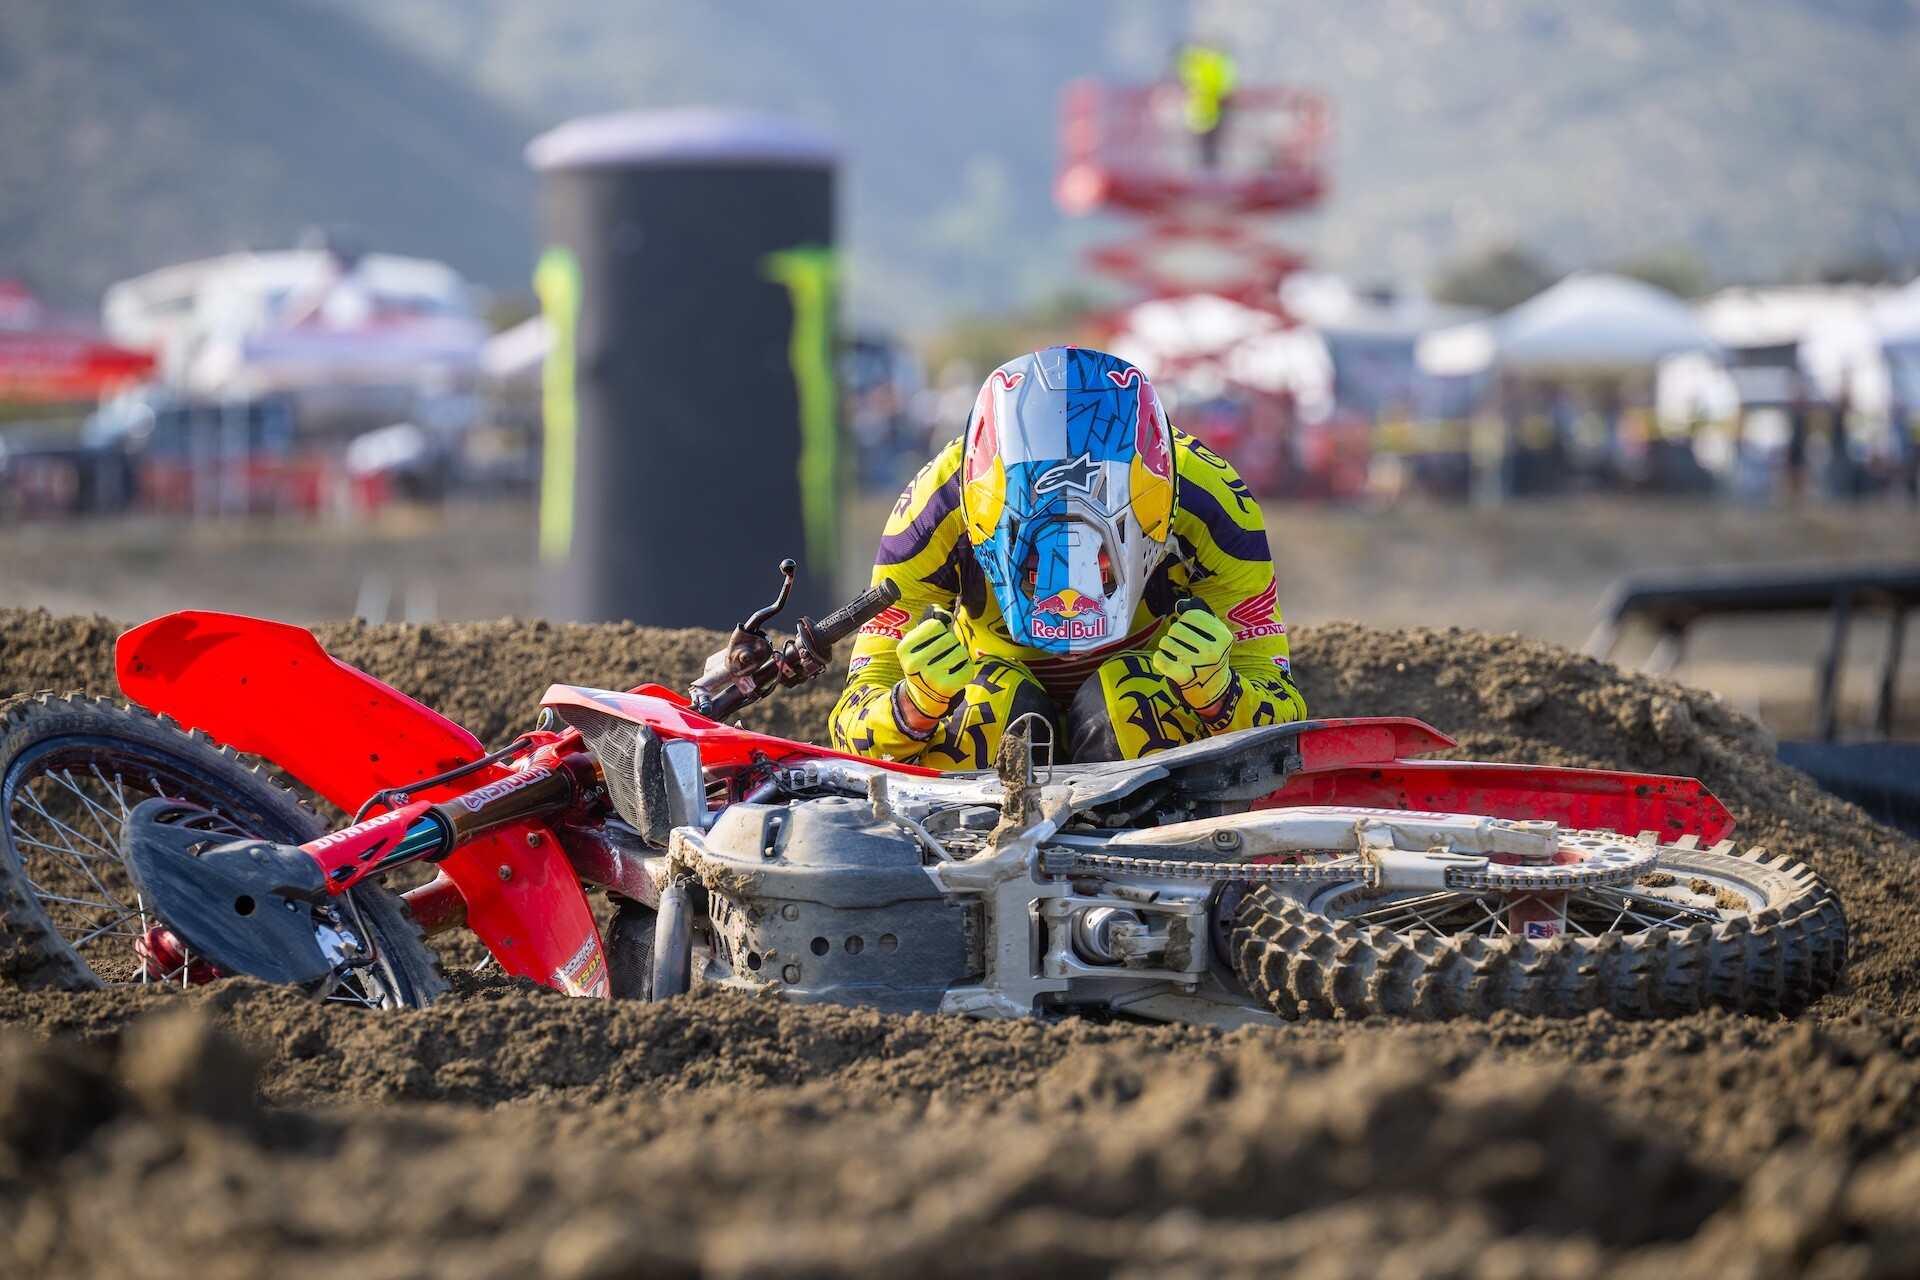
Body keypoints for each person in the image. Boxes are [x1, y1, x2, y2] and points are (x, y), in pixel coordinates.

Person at [828, 345, 1306, 769]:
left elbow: (1281, 709)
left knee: (1125, 702)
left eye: (1101, 563)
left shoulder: (1214, 505)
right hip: (998, 706)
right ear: (984, 523)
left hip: (1145, 699)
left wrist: (1220, 696)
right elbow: (851, 721)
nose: (1071, 596)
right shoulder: (933, 510)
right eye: (1037, 566)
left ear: (1156, 516)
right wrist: (913, 708)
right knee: (990, 709)